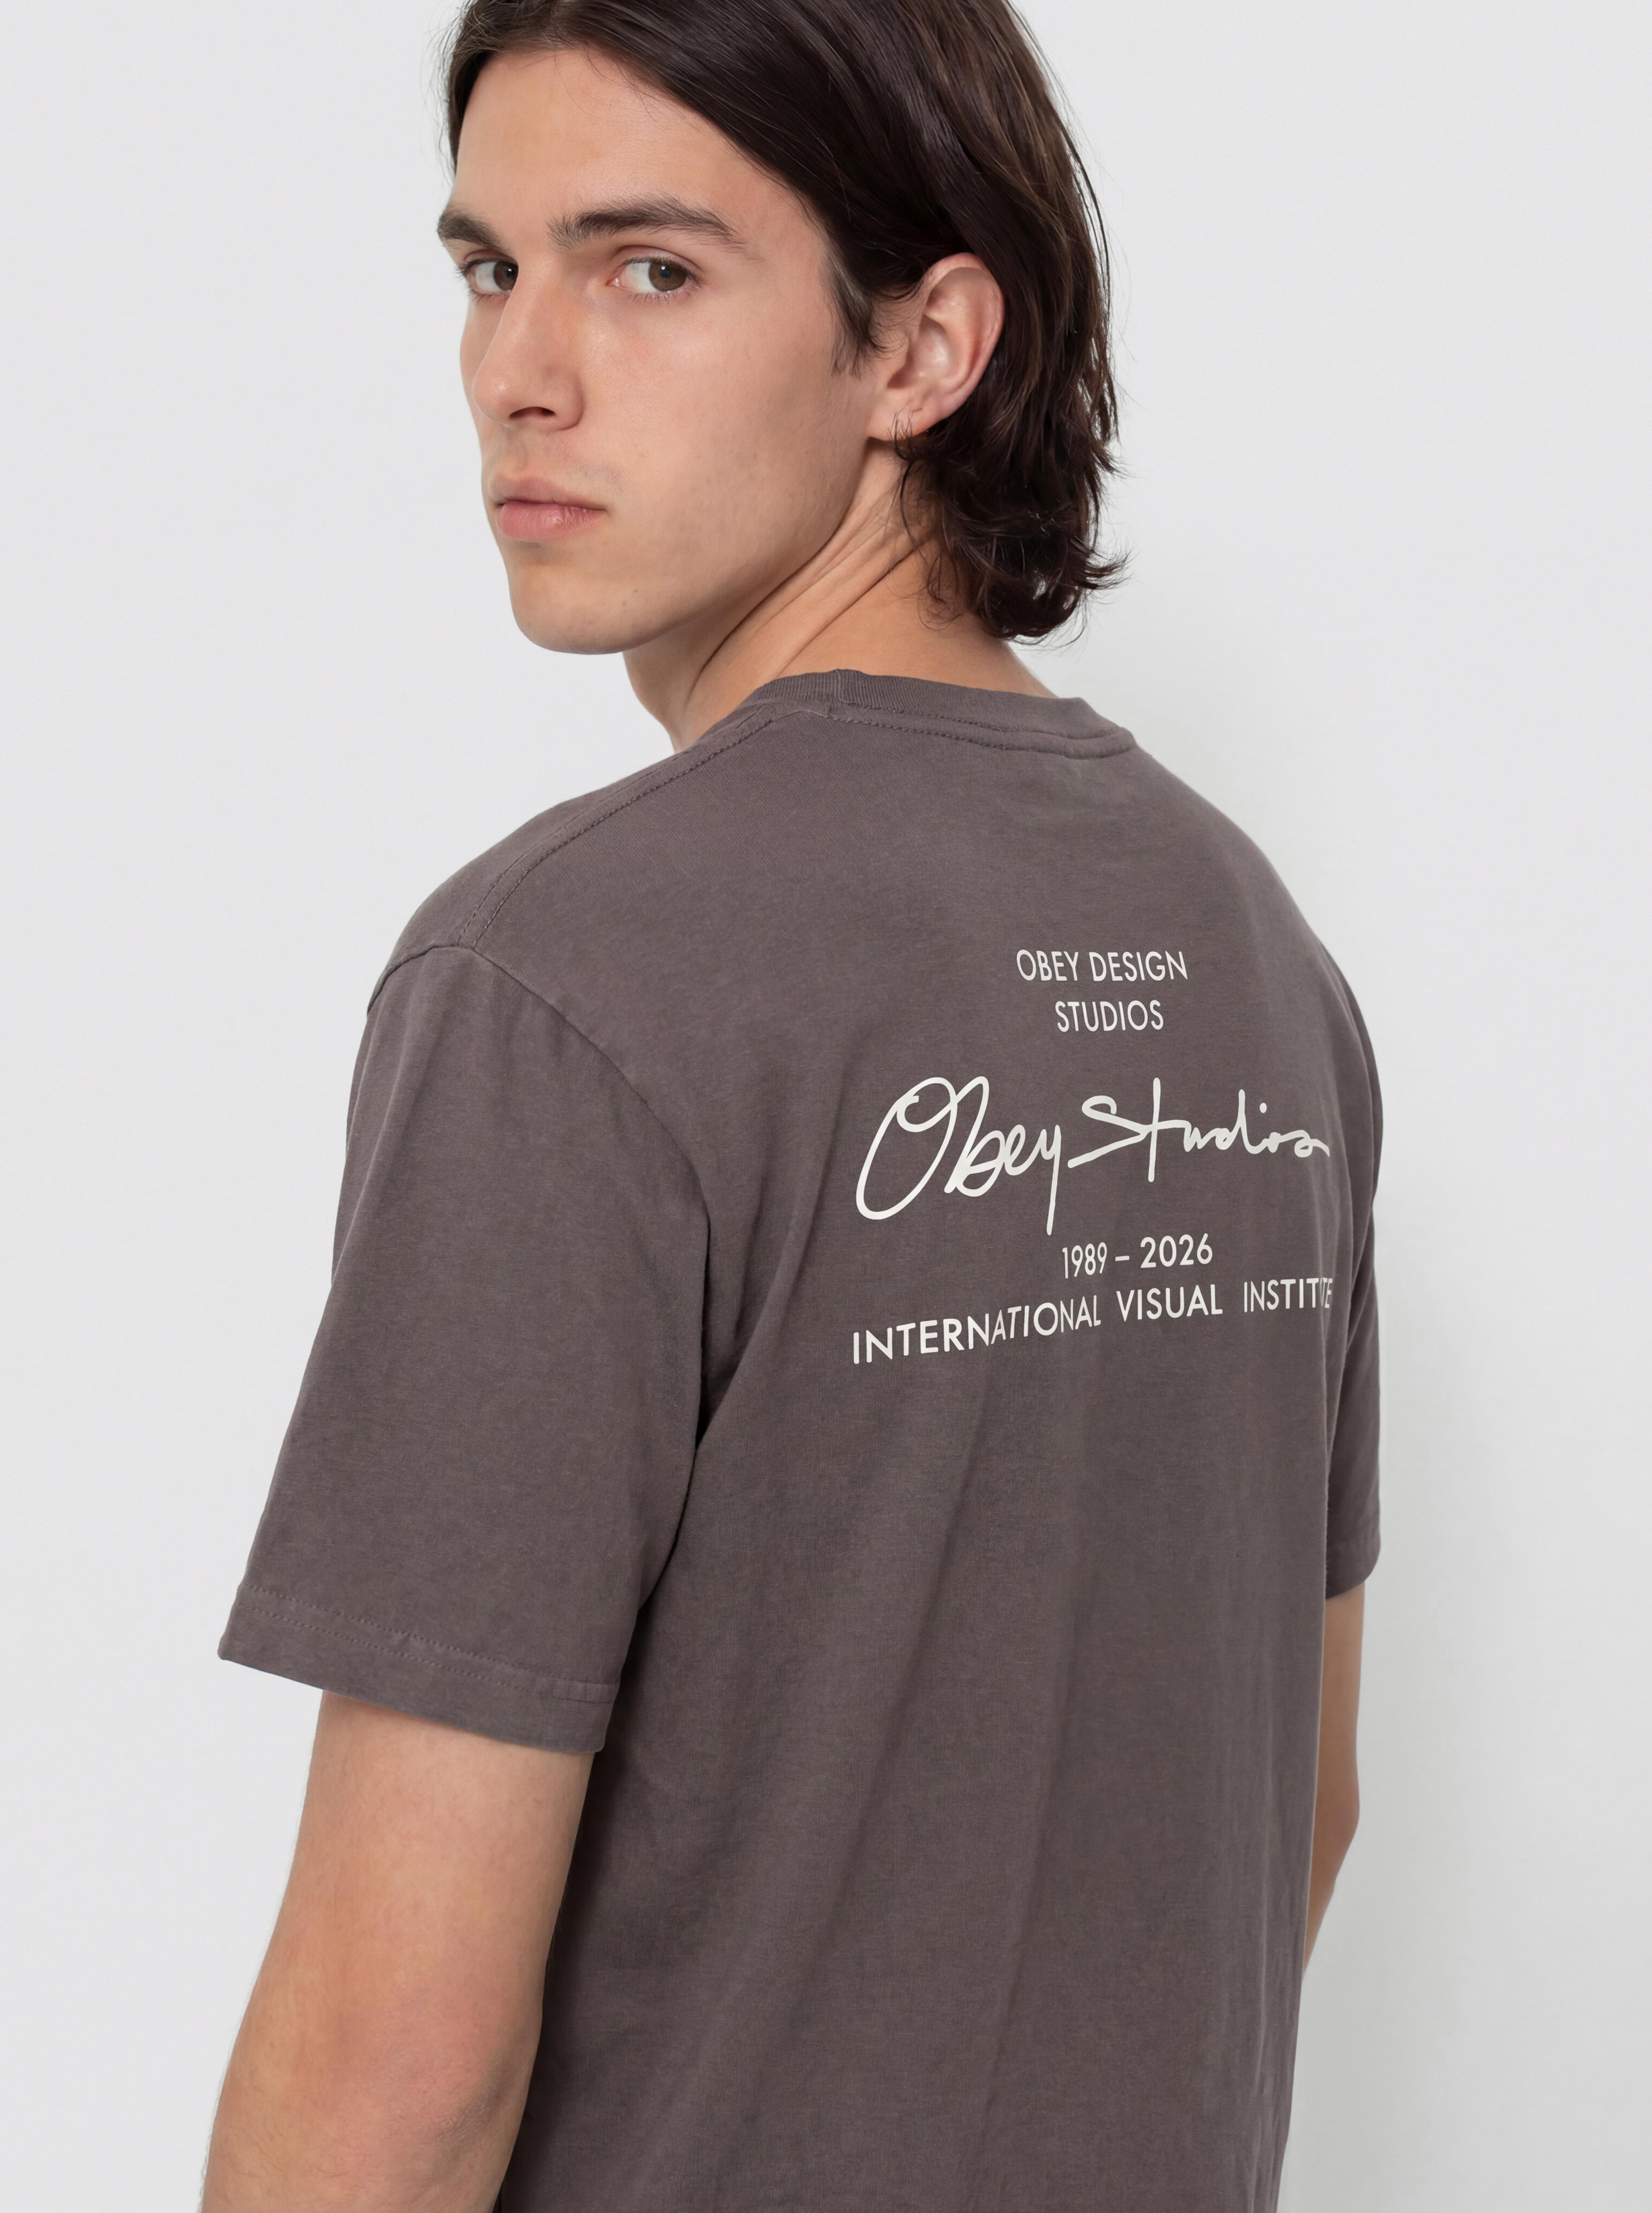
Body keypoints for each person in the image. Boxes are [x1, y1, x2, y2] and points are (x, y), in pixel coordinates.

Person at [203, 1, 1378, 2207]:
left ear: (920, 347)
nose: (517, 371)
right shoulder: (1249, 954)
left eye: (649, 268)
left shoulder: (561, 978)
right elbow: (1292, 1813)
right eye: (488, 267)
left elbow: (394, 2061)